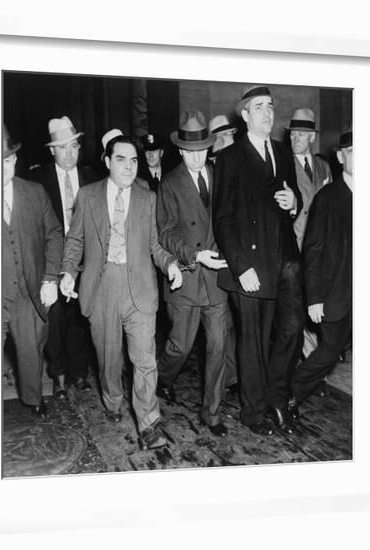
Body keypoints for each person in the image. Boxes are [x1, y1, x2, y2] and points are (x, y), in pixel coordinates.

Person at [60, 133, 183, 450]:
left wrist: (170, 264)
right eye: (120, 159)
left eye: (133, 160)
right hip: (101, 289)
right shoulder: (87, 196)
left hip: (139, 288)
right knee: (108, 358)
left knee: (144, 360)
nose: (129, 166)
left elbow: (155, 244)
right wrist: (68, 273)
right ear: (106, 161)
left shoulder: (147, 198)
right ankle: (112, 399)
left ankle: (149, 422)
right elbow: (75, 241)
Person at [214, 85, 305, 435]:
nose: (268, 113)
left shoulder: (282, 153)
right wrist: (240, 267)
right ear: (246, 115)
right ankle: (253, 413)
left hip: (285, 258)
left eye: (270, 106)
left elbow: (290, 199)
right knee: (252, 341)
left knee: (292, 330)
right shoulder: (231, 158)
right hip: (251, 265)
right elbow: (222, 218)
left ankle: (276, 398)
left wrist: (293, 201)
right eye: (259, 107)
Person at [156, 111, 234, 437]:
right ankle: (162, 378)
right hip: (187, 278)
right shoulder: (170, 183)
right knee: (180, 347)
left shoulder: (220, 174)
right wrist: (194, 254)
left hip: (216, 281)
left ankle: (211, 411)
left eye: (203, 149)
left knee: (218, 345)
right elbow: (166, 232)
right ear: (181, 151)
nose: (198, 156)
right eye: (191, 151)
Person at [287, 131, 353, 420]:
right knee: (328, 351)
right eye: (353, 152)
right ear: (340, 157)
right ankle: (291, 393)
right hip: (336, 294)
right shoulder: (328, 198)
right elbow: (312, 250)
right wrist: (314, 298)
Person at [30, 116, 96, 400]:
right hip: (52, 260)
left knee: (81, 316)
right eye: (63, 148)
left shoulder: (92, 178)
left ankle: (79, 373)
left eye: (74, 146)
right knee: (55, 318)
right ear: (51, 150)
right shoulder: (37, 181)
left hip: (85, 259)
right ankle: (57, 376)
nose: (70, 153)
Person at [2, 126, 63, 419]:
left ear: (15, 159)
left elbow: (54, 234)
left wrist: (51, 278)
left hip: (27, 292)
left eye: (6, 160)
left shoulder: (34, 193)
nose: (1, 168)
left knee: (29, 351)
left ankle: (33, 398)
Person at [287, 108, 333, 362]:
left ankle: (314, 360)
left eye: (301, 134)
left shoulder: (324, 166)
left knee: (316, 303)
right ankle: (309, 364)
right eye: (293, 134)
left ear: (312, 137)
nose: (295, 139)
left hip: (320, 247)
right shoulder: (284, 164)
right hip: (296, 245)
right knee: (299, 307)